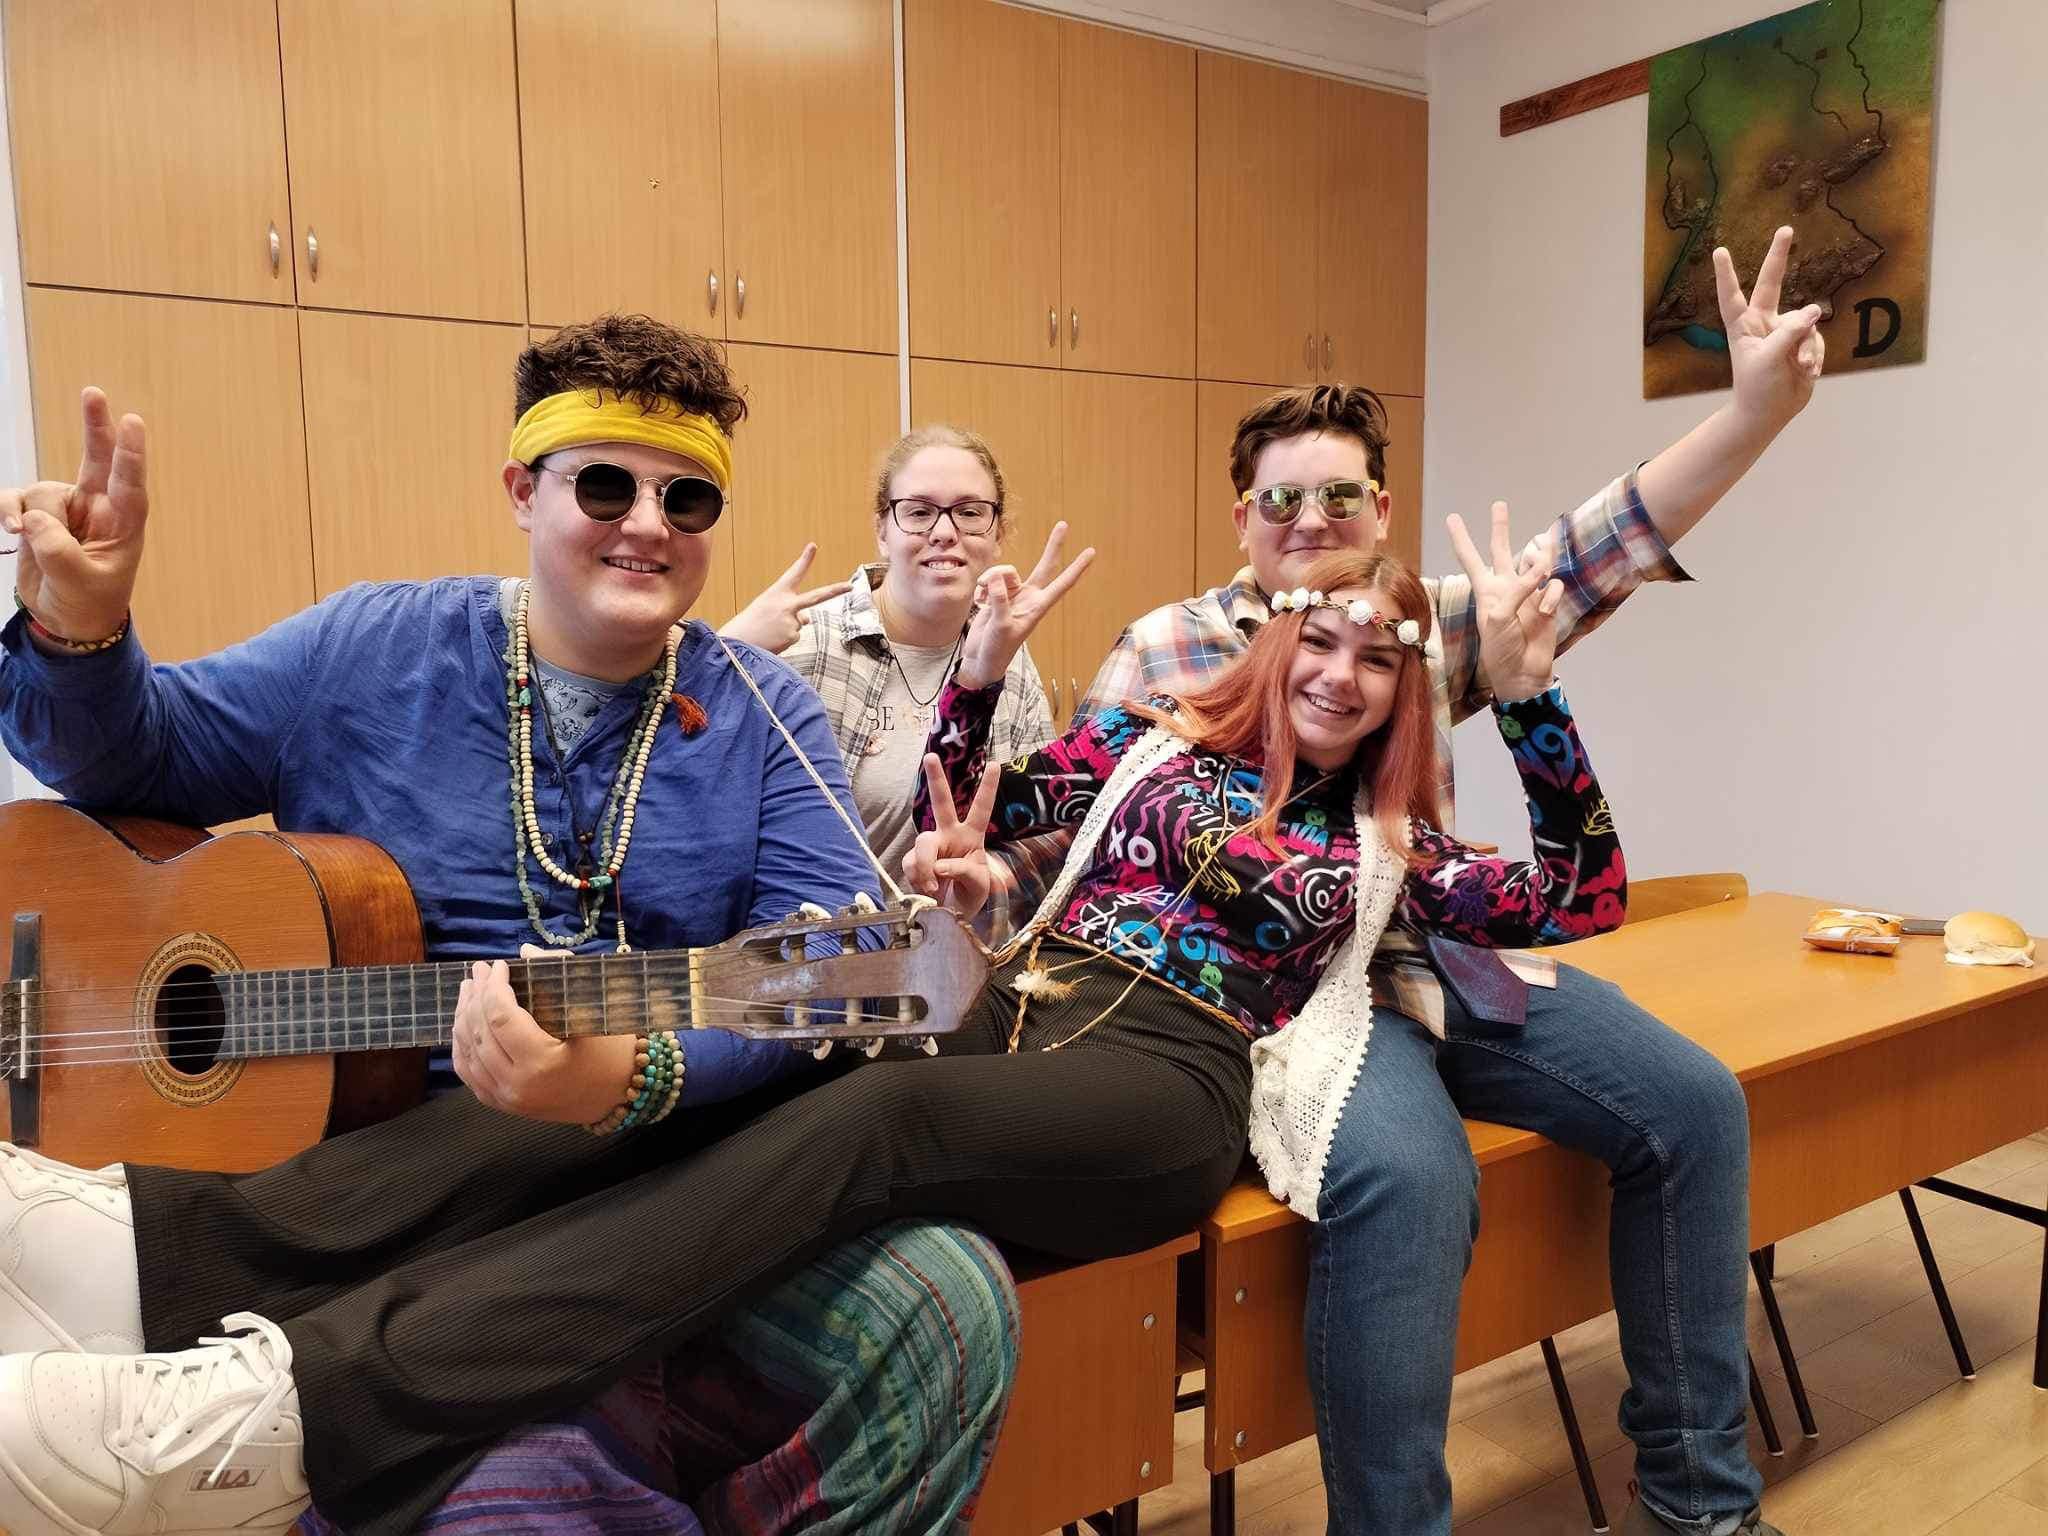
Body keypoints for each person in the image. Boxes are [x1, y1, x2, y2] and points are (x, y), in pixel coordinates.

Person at [0, 513, 1617, 1535]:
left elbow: (1579, 891)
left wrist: (1534, 692)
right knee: (732, 1022)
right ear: (1276, 642)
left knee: (872, 1116)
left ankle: (279, 1416)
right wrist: (977, 703)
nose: (1339, 674)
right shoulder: (1156, 749)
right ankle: (157, 1247)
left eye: (1377, 660)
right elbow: (969, 794)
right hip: (1008, 1006)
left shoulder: (1393, 846)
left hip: (1160, 1088)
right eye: (1318, 638)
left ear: (1407, 692)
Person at [0, 313, 1015, 1536]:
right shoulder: (370, 647)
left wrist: (631, 1075)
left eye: (687, 499)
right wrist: (80, 631)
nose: (647, 524)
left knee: (948, 1298)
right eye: (604, 485)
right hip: (352, 1171)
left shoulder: (759, 710)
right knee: (511, 1501)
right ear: (521, 491)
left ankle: (186, 1322)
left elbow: (833, 978)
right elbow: (131, 759)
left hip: (658, 1171)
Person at [987, 228, 1825, 1536]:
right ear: (1241, 519)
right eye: (1281, 501)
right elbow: (1064, 844)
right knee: (1415, 1180)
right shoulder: (1167, 647)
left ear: (1380, 511)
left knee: (1695, 1104)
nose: (1310, 521)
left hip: (1428, 948)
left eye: (1340, 498)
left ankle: (1700, 1507)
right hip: (1274, 1008)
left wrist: (1751, 414)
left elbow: (1600, 544)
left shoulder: (1424, 623)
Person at [775, 424, 1073, 882]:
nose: (945, 532)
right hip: (832, 924)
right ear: (882, 531)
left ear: (998, 534)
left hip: (965, 923)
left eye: (969, 512)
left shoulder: (1008, 656)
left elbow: (1041, 832)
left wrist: (990, 878)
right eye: (919, 512)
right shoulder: (807, 643)